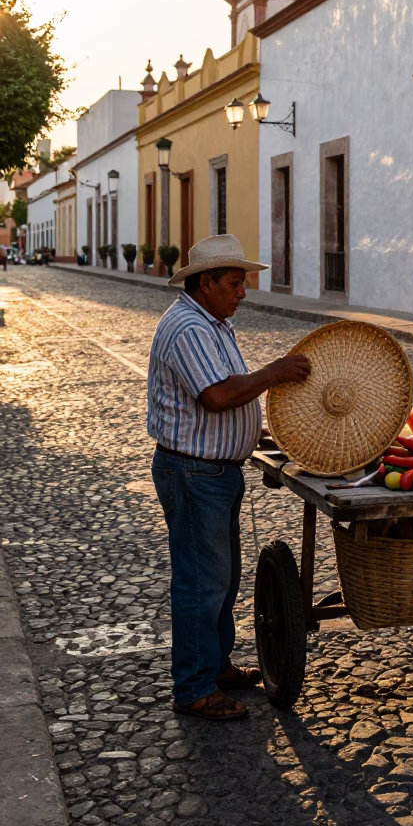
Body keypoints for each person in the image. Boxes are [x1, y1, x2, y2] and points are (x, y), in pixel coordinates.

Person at [148, 234, 310, 721]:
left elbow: (225, 399)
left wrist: (254, 431)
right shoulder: (189, 329)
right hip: (196, 473)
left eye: (244, 283)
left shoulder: (212, 324)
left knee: (221, 579)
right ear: (206, 282)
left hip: (212, 471)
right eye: (235, 283)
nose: (243, 292)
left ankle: (215, 667)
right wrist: (274, 372)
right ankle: (194, 687)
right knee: (202, 583)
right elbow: (216, 396)